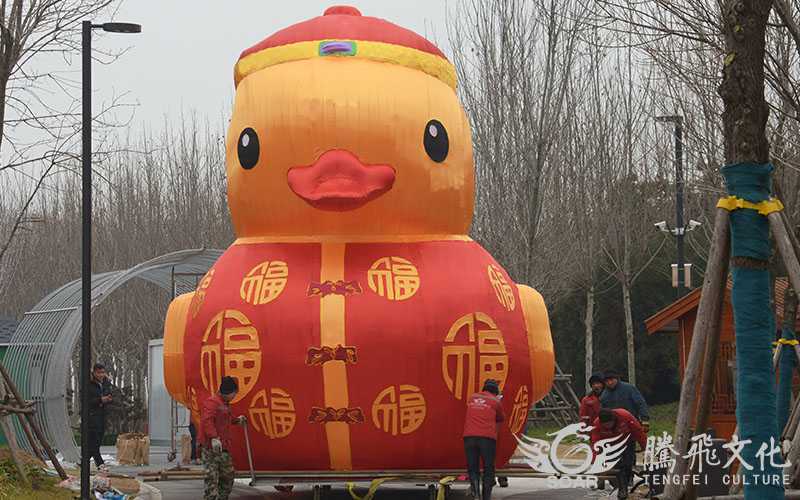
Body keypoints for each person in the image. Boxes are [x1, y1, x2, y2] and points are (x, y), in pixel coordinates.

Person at [199, 376, 246, 500]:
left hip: (223, 448)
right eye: (234, 394)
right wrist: (213, 437)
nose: (234, 396)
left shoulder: (225, 404)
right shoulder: (212, 402)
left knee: (228, 476)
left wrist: (237, 420)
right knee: (211, 478)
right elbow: (207, 420)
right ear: (228, 393)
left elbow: (227, 417)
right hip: (211, 449)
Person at [591, 408, 647, 500]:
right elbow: (595, 444)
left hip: (627, 440)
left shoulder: (625, 416)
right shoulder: (597, 424)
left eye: (609, 424)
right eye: (605, 425)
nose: (608, 427)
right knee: (615, 466)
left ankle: (625, 484)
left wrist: (645, 448)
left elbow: (639, 432)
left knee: (628, 464)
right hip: (610, 444)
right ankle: (620, 487)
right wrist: (595, 462)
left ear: (614, 419)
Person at [463, 379, 505, 500]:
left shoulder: (472, 398)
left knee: (473, 467)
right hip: (487, 438)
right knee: (488, 467)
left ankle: (476, 494)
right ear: (496, 391)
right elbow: (501, 418)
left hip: (469, 437)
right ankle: (486, 497)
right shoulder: (496, 401)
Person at [87, 363, 112, 471]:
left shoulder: (105, 384)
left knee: (97, 441)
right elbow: (86, 401)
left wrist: (108, 399)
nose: (101, 375)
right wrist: (100, 400)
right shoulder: (89, 384)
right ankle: (100, 463)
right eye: (99, 372)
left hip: (102, 415)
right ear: (94, 372)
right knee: (94, 441)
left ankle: (83, 461)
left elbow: (110, 394)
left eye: (103, 372)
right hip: (92, 416)